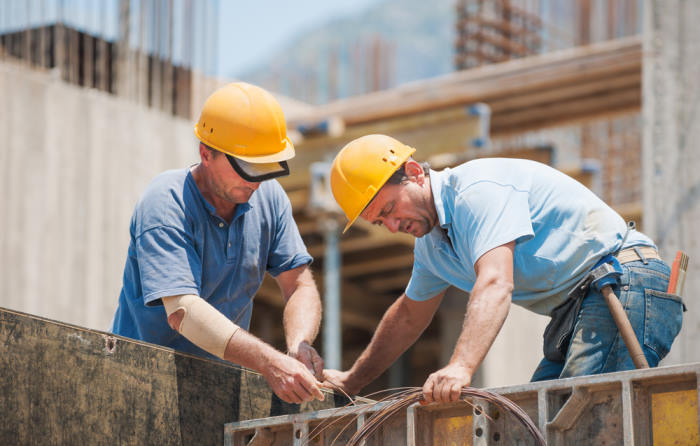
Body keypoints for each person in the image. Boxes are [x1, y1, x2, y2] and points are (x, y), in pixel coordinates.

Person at [323, 134, 684, 404]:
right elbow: (407, 317)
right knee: (536, 421)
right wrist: (353, 381)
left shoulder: (476, 191)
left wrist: (461, 367)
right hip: (583, 307)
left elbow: (495, 282)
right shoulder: (433, 247)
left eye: (389, 209)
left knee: (579, 417)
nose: (391, 225)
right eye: (379, 222)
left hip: (625, 283)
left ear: (415, 173)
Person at [111, 82, 324, 404]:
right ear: (206, 154)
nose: (256, 180)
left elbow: (299, 286)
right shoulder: (166, 202)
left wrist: (299, 346)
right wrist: (269, 362)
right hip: (140, 382)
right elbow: (183, 311)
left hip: (220, 387)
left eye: (265, 167)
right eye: (247, 167)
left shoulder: (269, 198)